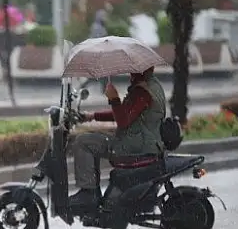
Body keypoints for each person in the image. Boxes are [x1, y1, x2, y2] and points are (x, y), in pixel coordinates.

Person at [34, 66, 166, 210]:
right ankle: (92, 192)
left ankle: (89, 193)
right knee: (92, 140)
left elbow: (123, 120)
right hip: (142, 143)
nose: (129, 73)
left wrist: (114, 98)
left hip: (133, 147)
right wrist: (91, 116)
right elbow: (127, 112)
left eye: (133, 70)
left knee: (84, 142)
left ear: (140, 71)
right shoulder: (153, 85)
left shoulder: (142, 92)